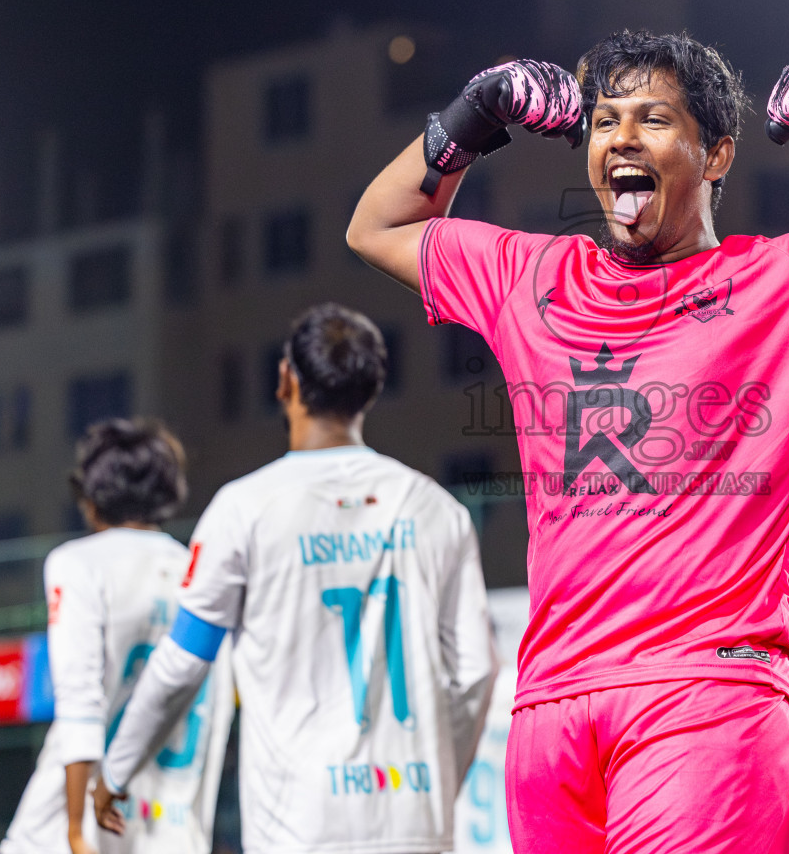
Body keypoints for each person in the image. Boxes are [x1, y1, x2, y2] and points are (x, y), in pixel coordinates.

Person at [347, 30, 789, 851]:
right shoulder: (529, 277)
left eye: (652, 120)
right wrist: (472, 116)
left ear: (716, 154)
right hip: (551, 709)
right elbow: (375, 227)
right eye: (605, 121)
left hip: (703, 699)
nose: (620, 138)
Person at [95, 303, 496, 854]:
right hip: (416, 819)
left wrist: (114, 771)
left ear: (286, 380)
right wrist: (435, 785)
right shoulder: (436, 509)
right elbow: (475, 670)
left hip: (300, 826)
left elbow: (183, 663)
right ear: (371, 389)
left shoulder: (245, 508)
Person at [0, 419, 234, 854]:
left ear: (90, 495)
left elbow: (80, 701)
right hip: (174, 830)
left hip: (78, 824)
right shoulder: (200, 574)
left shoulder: (79, 563)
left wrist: (74, 830)